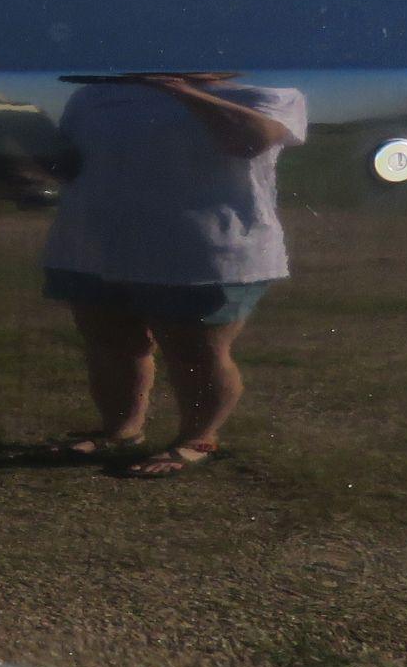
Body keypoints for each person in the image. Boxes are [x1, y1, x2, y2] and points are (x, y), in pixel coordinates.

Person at [43, 73, 307, 476]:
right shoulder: (93, 96)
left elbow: (248, 140)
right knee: (109, 342)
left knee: (195, 352)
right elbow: (68, 160)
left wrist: (180, 91)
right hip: (96, 243)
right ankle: (120, 430)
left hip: (203, 250)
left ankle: (198, 438)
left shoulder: (268, 91)